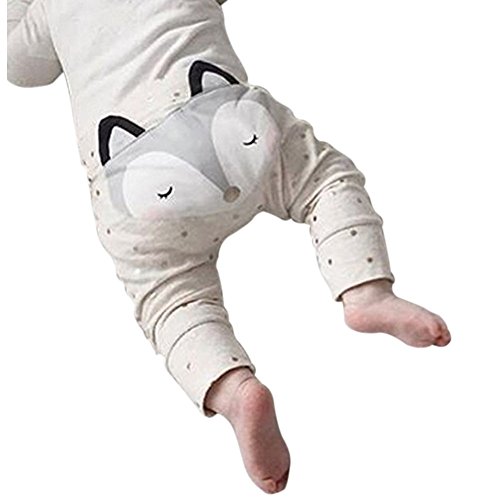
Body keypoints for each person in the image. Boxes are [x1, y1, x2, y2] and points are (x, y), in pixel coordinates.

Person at [7, 0, 451, 494]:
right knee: (324, 182)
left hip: (137, 177)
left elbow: (20, 67)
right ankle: (366, 292)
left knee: (172, 297)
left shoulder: (50, 9)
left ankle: (234, 391)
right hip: (229, 120)